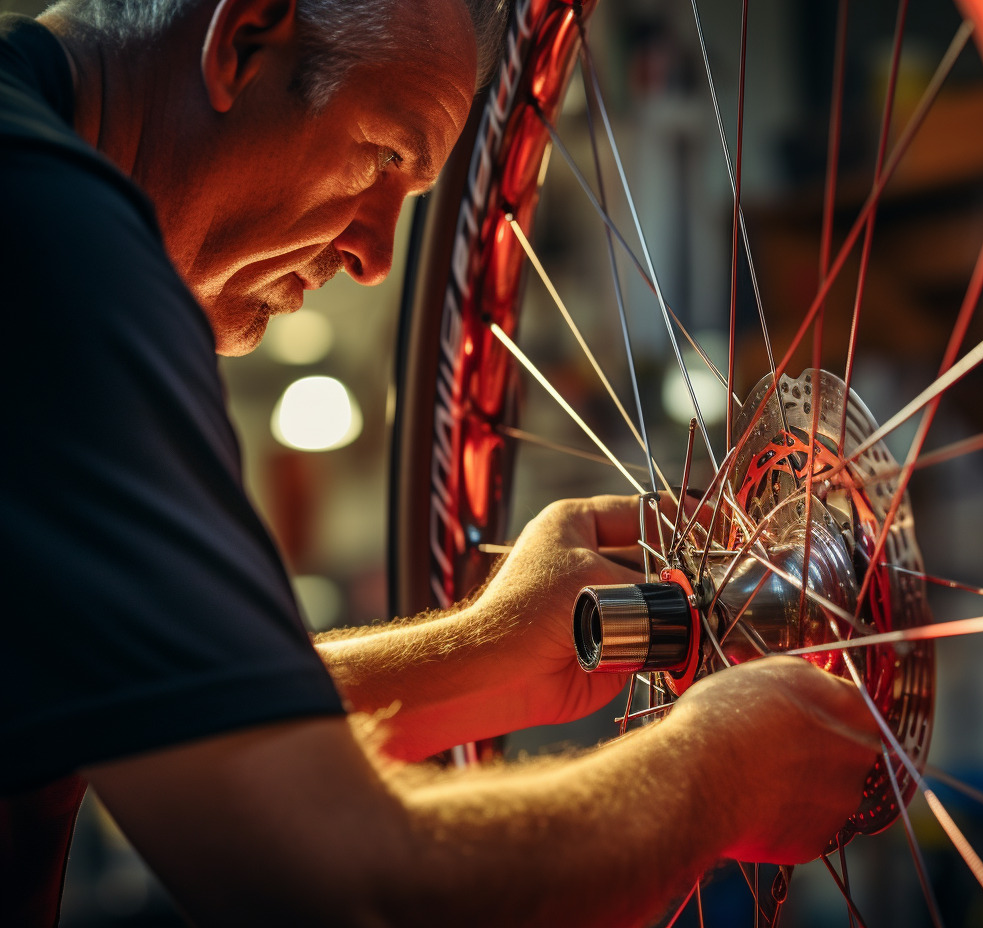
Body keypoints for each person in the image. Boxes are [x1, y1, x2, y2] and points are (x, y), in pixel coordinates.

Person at [0, 0, 876, 924]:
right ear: (244, 38)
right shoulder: (52, 252)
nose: (377, 256)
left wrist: (489, 652)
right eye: (383, 156)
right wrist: (718, 776)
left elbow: (145, 727)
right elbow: (342, 885)